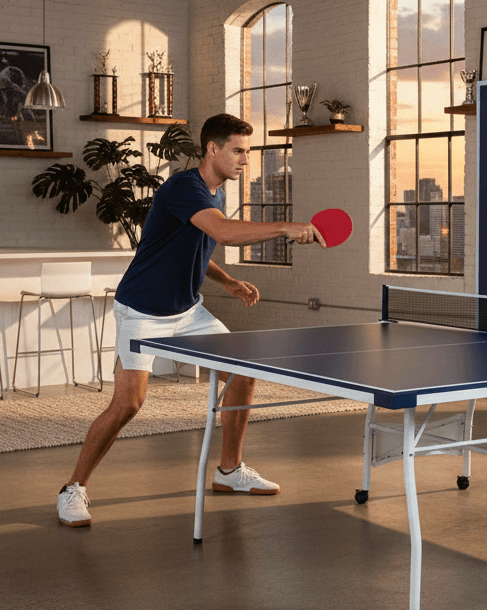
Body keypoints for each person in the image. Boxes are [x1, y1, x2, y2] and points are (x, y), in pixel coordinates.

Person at [57, 113, 325, 527]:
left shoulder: (214, 193)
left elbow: (195, 243)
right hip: (142, 310)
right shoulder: (185, 187)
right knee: (128, 403)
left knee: (242, 373)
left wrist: (229, 280)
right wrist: (286, 227)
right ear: (212, 149)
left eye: (248, 153)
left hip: (188, 311)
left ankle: (229, 472)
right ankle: (73, 488)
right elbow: (224, 233)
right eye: (237, 151)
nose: (244, 160)